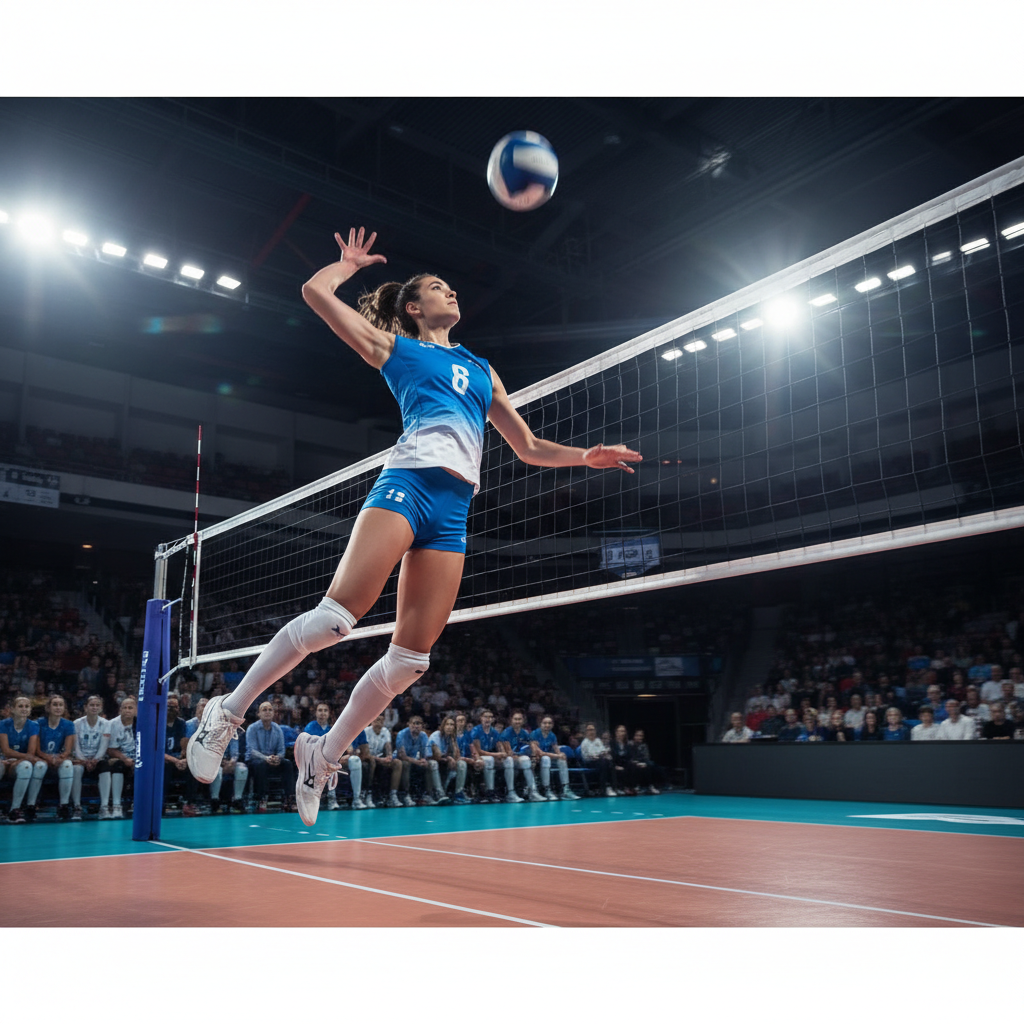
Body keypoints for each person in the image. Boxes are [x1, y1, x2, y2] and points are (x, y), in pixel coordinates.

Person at [185, 226, 641, 827]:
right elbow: (315, 294)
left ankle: (323, 754)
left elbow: (527, 446)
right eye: (435, 287)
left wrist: (585, 456)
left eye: (449, 286)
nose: (449, 291)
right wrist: (345, 266)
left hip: (454, 509)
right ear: (413, 307)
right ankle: (228, 710)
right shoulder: (400, 351)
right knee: (335, 619)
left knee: (411, 662)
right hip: (408, 484)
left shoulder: (482, 368)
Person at [187, 698, 248, 813]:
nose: (204, 709)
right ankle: (214, 800)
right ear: (196, 710)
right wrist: (217, 761)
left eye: (207, 707)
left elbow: (235, 750)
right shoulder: (189, 725)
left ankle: (237, 800)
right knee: (217, 770)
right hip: (205, 760)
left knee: (242, 769)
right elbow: (191, 747)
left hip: (224, 761)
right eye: (202, 706)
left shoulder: (223, 724)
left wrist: (232, 761)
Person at [245, 701, 297, 813]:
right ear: (258, 714)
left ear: (273, 713)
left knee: (287, 763)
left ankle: (289, 799)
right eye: (264, 710)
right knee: (261, 765)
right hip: (255, 761)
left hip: (272, 760)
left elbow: (281, 750)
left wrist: (277, 758)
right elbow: (252, 751)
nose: (267, 712)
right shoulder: (252, 728)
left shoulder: (277, 729)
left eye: (270, 710)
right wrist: (266, 758)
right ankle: (262, 798)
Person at [33, 694, 77, 820]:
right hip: (41, 758)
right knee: (40, 766)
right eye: (55, 704)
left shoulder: (68, 725)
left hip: (58, 759)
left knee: (67, 765)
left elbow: (67, 750)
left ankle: (64, 805)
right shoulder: (38, 723)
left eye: (61, 705)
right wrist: (48, 758)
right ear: (48, 707)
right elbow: (36, 749)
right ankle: (31, 805)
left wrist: (60, 758)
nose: (58, 707)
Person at [0, 695, 41, 823]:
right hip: (3, 760)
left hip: (18, 763)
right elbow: (6, 751)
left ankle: (15, 809)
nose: (24, 709)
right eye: (20, 706)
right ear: (12, 709)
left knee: (26, 767)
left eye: (27, 706)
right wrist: (24, 757)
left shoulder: (33, 725)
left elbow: (31, 752)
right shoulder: (3, 724)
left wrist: (21, 759)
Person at [71, 694, 110, 820]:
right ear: (85, 707)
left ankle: (104, 807)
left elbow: (104, 746)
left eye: (97, 705)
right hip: (80, 758)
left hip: (97, 759)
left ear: (101, 708)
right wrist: (83, 760)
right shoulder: (76, 723)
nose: (94, 707)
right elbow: (75, 746)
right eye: (91, 705)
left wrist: (95, 760)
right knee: (76, 769)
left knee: (105, 767)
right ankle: (77, 807)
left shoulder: (106, 724)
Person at [390, 715, 443, 806]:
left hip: (414, 759)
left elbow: (424, 753)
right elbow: (402, 755)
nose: (416, 726)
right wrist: (417, 761)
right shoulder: (401, 734)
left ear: (422, 726)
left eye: (419, 724)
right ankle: (405, 794)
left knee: (430, 764)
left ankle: (427, 794)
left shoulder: (423, 735)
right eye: (414, 723)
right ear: (409, 724)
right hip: (399, 759)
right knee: (406, 764)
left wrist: (423, 760)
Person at [500, 709, 545, 802]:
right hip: (508, 759)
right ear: (511, 720)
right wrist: (523, 757)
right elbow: (509, 752)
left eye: (519, 719)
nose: (517, 721)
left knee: (527, 760)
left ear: (523, 720)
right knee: (523, 760)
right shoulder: (506, 733)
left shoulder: (524, 733)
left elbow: (531, 746)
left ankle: (533, 792)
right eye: (515, 719)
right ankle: (510, 793)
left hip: (521, 758)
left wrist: (533, 757)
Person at [530, 715, 578, 800]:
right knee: (546, 759)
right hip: (536, 760)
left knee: (562, 760)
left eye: (549, 723)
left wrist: (561, 755)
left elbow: (557, 751)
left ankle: (565, 789)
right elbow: (539, 753)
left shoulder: (552, 735)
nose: (547, 725)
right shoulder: (535, 734)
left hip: (548, 758)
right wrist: (557, 755)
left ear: (552, 725)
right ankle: (546, 789)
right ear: (540, 724)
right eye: (545, 723)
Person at [105, 696, 136, 818]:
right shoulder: (112, 724)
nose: (127, 710)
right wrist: (124, 758)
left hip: (136, 758)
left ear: (136, 710)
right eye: (125, 708)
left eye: (130, 708)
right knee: (118, 765)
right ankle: (117, 805)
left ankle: (137, 803)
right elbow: (110, 749)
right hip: (119, 758)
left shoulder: (142, 723)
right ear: (120, 710)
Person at [428, 715, 465, 803]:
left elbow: (457, 756)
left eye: (452, 725)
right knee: (434, 763)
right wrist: (449, 758)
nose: (449, 727)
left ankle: (458, 793)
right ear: (443, 726)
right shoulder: (436, 735)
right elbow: (437, 755)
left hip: (444, 762)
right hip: (430, 760)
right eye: (447, 724)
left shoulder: (451, 738)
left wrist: (453, 740)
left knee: (462, 764)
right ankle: (439, 793)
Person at [363, 713, 395, 807]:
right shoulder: (366, 731)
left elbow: (388, 746)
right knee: (372, 762)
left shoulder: (385, 731)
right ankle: (368, 793)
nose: (379, 722)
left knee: (397, 763)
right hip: (368, 758)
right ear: (371, 721)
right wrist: (380, 760)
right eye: (377, 720)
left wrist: (389, 756)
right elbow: (366, 753)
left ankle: (393, 795)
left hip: (381, 758)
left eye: (381, 720)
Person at [579, 722, 617, 797]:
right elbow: (588, 756)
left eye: (592, 730)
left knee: (609, 762)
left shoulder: (598, 741)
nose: (591, 732)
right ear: (586, 732)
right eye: (589, 730)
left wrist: (604, 753)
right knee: (604, 763)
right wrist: (598, 755)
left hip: (600, 760)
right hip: (589, 762)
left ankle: (613, 787)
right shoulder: (585, 742)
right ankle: (604, 787)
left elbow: (602, 750)